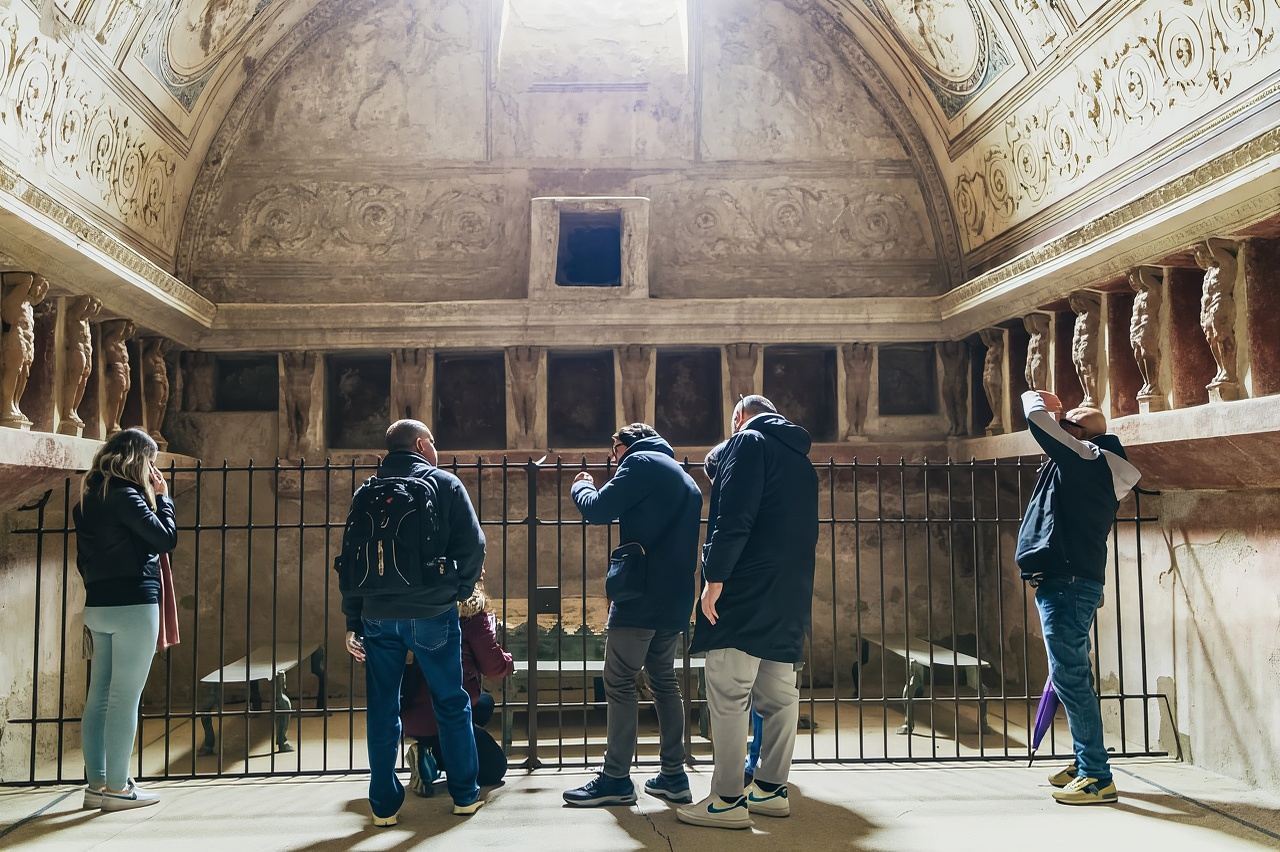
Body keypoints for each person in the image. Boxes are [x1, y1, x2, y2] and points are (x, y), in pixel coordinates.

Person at [679, 396, 818, 830]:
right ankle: (771, 789)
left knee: (728, 690)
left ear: (738, 419)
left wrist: (714, 579)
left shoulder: (748, 442)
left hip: (747, 588)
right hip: (789, 593)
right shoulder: (802, 462)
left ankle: (725, 799)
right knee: (780, 696)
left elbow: (733, 518)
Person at [340, 419, 487, 825]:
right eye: (433, 443)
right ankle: (464, 794)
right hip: (431, 612)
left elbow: (351, 561)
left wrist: (354, 618)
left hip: (377, 615)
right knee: (451, 702)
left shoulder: (366, 491)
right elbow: (474, 544)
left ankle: (383, 806)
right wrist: (456, 592)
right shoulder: (444, 483)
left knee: (383, 708)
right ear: (422, 445)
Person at [562, 423, 703, 807]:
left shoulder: (639, 463)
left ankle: (616, 779)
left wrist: (582, 484)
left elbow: (598, 509)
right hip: (675, 599)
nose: (614, 460)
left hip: (640, 595)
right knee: (664, 681)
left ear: (627, 445)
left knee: (619, 681)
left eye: (615, 452)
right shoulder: (682, 476)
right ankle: (674, 775)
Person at [1015, 390, 1140, 806]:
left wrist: (1036, 397)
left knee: (1069, 675)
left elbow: (1037, 422)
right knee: (1072, 676)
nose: (1061, 427)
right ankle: (1086, 760)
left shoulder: (1088, 459)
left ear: (1080, 434)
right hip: (1071, 580)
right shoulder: (1095, 464)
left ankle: (1096, 776)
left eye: (1069, 423)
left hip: (1066, 582)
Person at [73, 428, 178, 811]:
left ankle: (96, 784)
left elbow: (83, 558)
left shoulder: (87, 498)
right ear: (138, 459)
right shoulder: (126, 495)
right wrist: (165, 500)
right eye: (150, 460)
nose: (153, 469)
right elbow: (165, 539)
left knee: (99, 696)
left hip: (98, 605)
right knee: (124, 698)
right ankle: (118, 789)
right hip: (134, 603)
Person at [402, 581, 514, 793]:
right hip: (449, 714)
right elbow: (494, 667)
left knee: (485, 703)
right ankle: (434, 755)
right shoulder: (470, 613)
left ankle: (431, 747)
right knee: (495, 769)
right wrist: (508, 660)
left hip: (410, 712)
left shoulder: (414, 604)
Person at [704, 440, 765, 789]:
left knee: (743, 695)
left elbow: (730, 536)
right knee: (765, 694)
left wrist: (713, 580)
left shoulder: (739, 498)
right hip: (770, 607)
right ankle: (759, 770)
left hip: (746, 609)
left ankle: (735, 784)